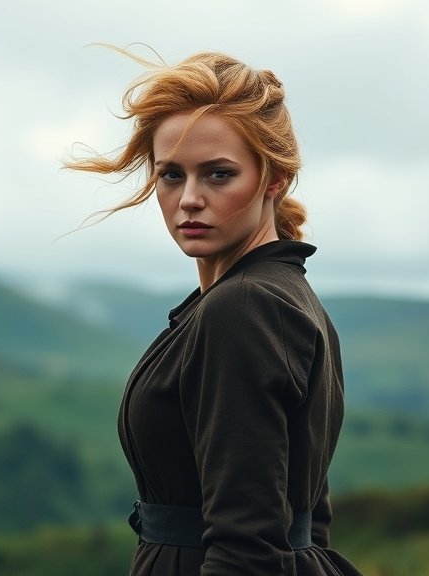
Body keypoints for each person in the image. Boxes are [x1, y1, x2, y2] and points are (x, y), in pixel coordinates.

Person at [66, 48, 362, 576]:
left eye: (219, 175)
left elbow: (248, 547)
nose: (189, 200)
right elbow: (308, 520)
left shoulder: (245, 308)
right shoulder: (285, 296)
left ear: (273, 179)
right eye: (171, 175)